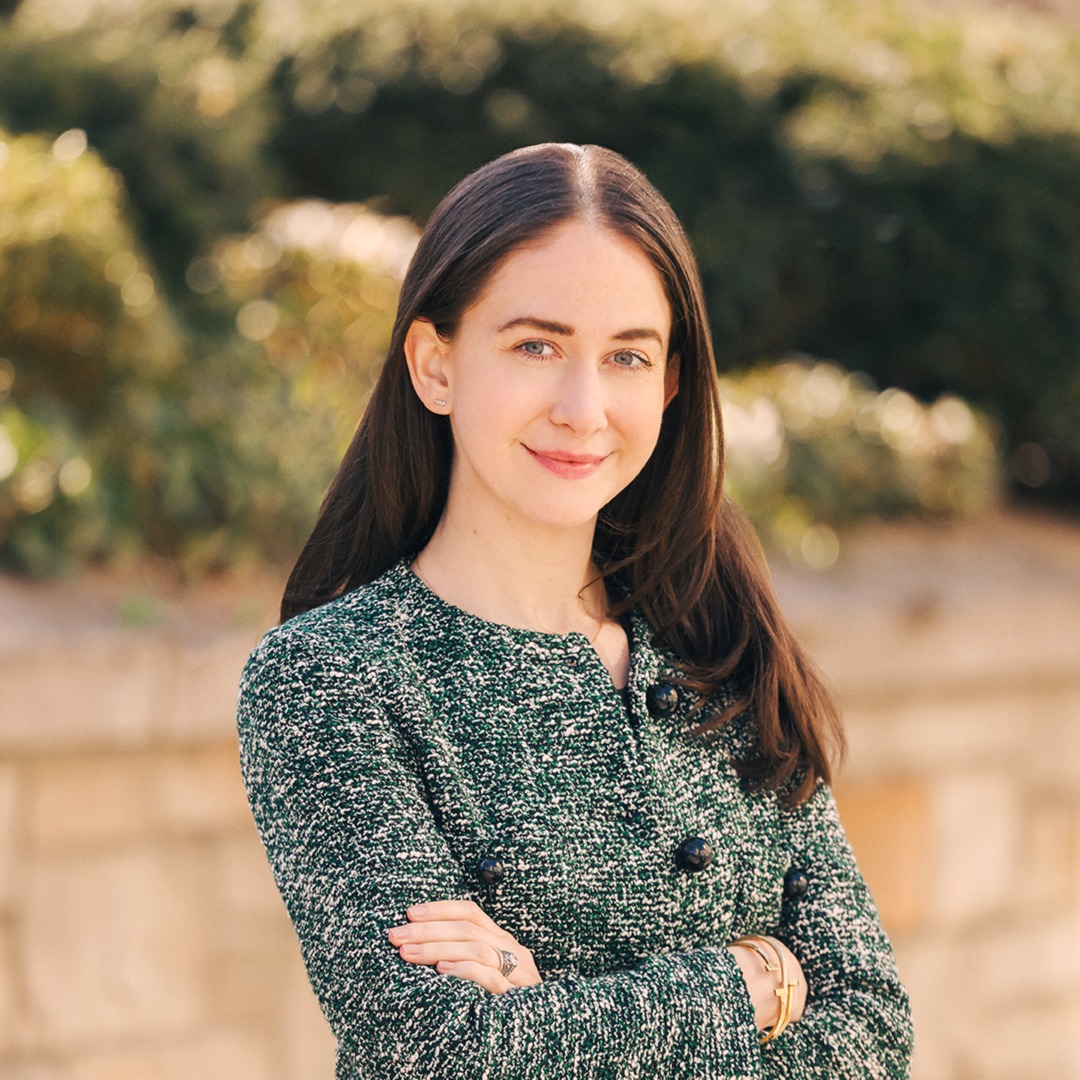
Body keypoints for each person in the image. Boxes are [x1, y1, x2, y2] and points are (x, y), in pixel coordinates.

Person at [237, 143, 913, 1078]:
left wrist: (542, 1003)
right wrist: (753, 981)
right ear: (436, 364)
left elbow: (874, 1033)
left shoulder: (718, 640)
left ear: (670, 384)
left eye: (627, 356)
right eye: (536, 346)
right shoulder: (329, 679)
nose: (583, 407)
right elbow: (436, 1052)